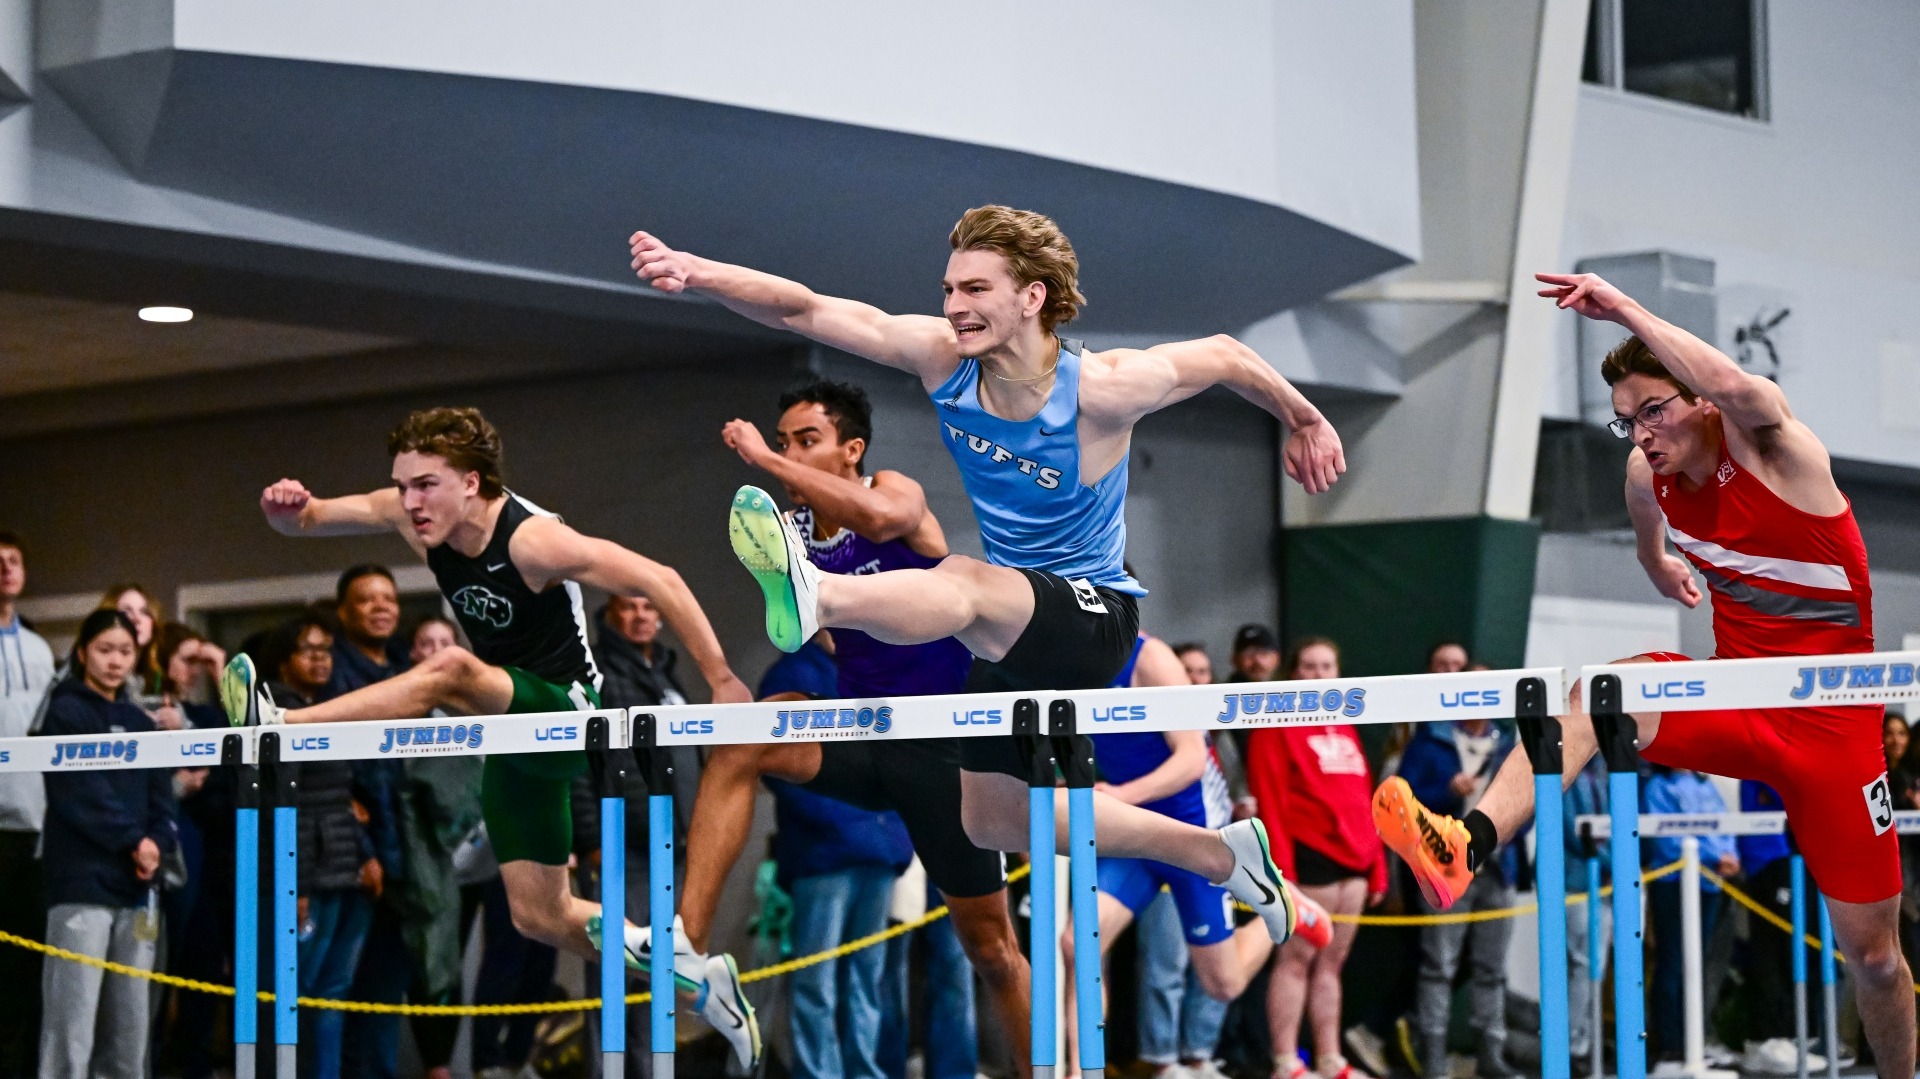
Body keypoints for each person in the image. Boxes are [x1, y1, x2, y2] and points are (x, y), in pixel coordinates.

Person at [632, 204, 1343, 950]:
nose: (954, 307)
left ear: (1032, 296)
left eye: (975, 289)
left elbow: (1227, 353)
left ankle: (820, 593)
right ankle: (1220, 854)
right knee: (992, 818)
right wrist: (698, 272)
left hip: (1094, 616)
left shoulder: (1104, 388)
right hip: (1013, 626)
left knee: (965, 576)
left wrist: (1303, 418)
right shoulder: (943, 361)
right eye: (948, 289)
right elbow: (805, 309)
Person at [1374, 270, 1916, 1079]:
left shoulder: (1776, 447)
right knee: (1600, 693)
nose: (1641, 435)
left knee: (1874, 958)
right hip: (1736, 697)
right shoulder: (1644, 473)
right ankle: (1465, 843)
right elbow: (1643, 516)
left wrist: (1623, 307)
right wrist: (1655, 559)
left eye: (1654, 411)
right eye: (1626, 421)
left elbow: (1735, 384)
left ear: (1699, 399)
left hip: (1834, 726)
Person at [219, 405, 762, 1069]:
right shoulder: (409, 516)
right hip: (511, 723)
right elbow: (309, 518)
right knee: (540, 914)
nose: (409, 502)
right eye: (402, 485)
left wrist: (722, 677)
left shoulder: (533, 541)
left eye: (426, 485)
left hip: (566, 709)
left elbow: (660, 579)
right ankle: (696, 978)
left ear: (471, 482)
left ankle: (282, 722)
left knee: (451, 669)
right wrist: (285, 511)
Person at [662, 379, 1034, 1067]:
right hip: (861, 732)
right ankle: (689, 952)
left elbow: (884, 522)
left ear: (852, 449)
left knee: (990, 949)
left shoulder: (897, 493)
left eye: (807, 441)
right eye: (783, 442)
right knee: (742, 739)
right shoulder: (791, 533)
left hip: (944, 749)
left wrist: (761, 459)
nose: (789, 454)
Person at [1066, 631, 1310, 1076]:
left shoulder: (1151, 658)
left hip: (1187, 836)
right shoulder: (1061, 659)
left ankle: (1288, 901)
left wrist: (1120, 795)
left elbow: (1191, 760)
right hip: (1131, 835)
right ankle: (1082, 1071)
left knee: (1223, 984)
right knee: (1077, 943)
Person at [37, 609, 177, 1079]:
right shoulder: (65, 711)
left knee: (131, 1025)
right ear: (82, 653)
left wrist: (156, 842)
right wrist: (133, 840)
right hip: (81, 884)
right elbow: (80, 793)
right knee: (71, 1021)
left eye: (125, 651)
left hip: (138, 886)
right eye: (104, 650)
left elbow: (162, 794)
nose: (115, 661)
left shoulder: (139, 720)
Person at [760, 687, 916, 1079]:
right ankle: (820, 1074)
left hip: (876, 854)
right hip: (824, 856)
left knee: (867, 978)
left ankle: (864, 1071)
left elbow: (900, 757)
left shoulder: (868, 674)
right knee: (818, 981)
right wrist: (854, 822)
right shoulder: (793, 677)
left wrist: (891, 828)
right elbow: (771, 758)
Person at [1248, 639, 1386, 1079]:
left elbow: (1364, 799)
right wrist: (1281, 874)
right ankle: (1286, 1062)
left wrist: (1378, 867)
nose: (1318, 675)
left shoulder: (1344, 725)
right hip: (1309, 862)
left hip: (1356, 864)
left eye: (1327, 666)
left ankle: (1330, 1060)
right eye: (1308, 666)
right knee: (1295, 962)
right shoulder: (1273, 726)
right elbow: (1270, 804)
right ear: (1293, 672)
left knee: (1331, 966)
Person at [263, 611, 380, 1079]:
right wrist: (296, 885)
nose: (320, 659)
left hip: (343, 869)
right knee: (296, 993)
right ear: (283, 659)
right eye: (308, 649)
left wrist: (365, 854)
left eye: (327, 650)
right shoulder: (274, 711)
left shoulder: (328, 706)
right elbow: (283, 805)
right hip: (305, 876)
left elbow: (341, 796)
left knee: (333, 992)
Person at [1393, 714, 1522, 1079]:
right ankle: (1433, 1055)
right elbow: (1403, 804)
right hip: (1443, 870)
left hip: (1497, 869)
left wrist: (1510, 828)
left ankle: (1491, 1054)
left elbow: (1526, 802)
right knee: (1438, 966)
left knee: (1492, 968)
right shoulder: (1429, 742)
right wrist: (1447, 791)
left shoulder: (1506, 745)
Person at [1642, 766, 1739, 1062]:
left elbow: (1724, 825)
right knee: (1672, 960)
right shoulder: (1658, 787)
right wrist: (1715, 856)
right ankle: (1670, 1043)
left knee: (1698, 961)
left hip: (1708, 883)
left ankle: (1694, 1040)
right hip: (1672, 884)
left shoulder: (1706, 785)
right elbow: (1668, 840)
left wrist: (1730, 856)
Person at [0, 532, 53, 1076]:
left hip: (35, 826)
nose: (5, 569)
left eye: (13, 560)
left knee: (29, 963)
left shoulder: (39, 650)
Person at [1563, 757, 1610, 1076]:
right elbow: (1574, 830)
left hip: (1603, 881)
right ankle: (1574, 1047)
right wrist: (1615, 862)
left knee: (1596, 965)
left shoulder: (1602, 773)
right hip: (1575, 880)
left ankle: (1588, 1042)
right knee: (1582, 964)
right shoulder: (1565, 774)